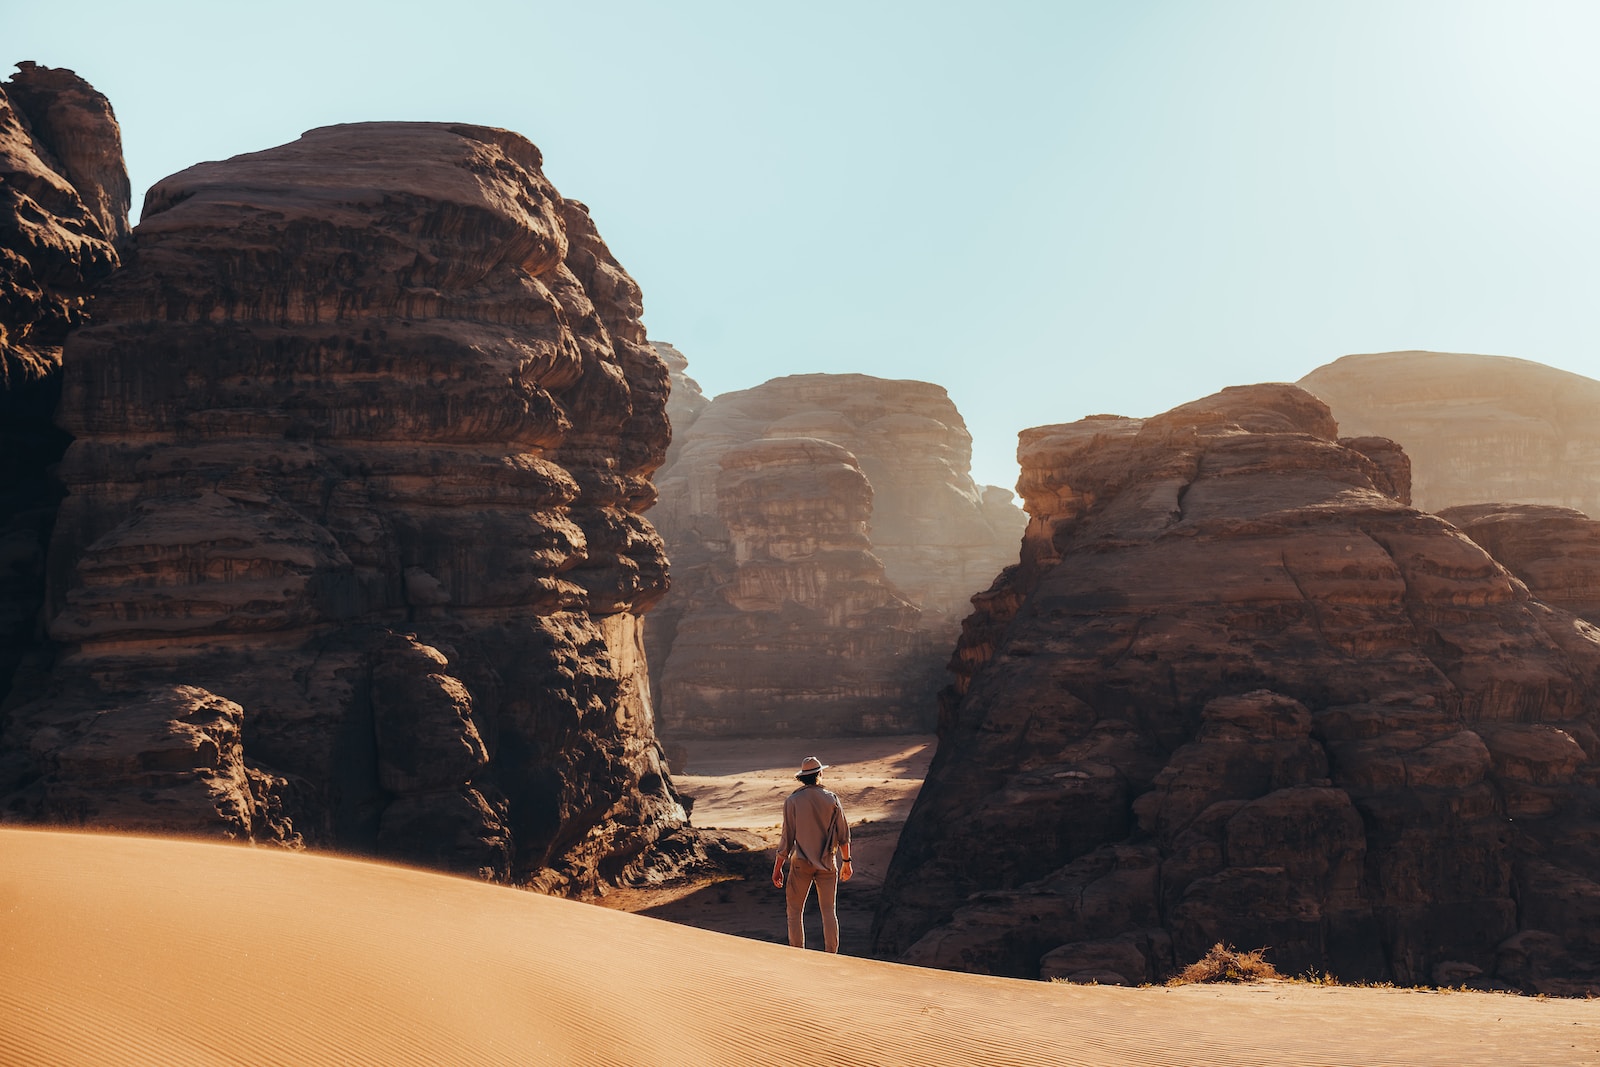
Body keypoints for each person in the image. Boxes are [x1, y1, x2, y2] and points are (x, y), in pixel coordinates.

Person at [771, 755, 853, 952]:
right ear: (820, 774)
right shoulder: (832, 799)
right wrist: (847, 862)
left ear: (802, 777)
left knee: (794, 912)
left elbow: (787, 839)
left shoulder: (792, 801)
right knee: (829, 912)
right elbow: (844, 834)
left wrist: (777, 868)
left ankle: (797, 954)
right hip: (828, 863)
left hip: (801, 863)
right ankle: (831, 954)